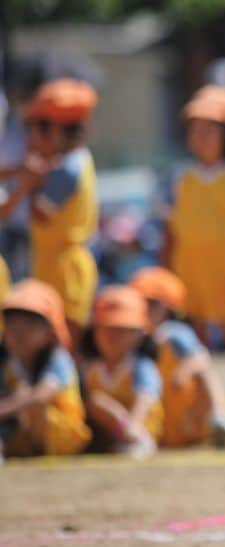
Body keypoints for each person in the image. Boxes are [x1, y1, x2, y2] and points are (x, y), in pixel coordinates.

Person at [163, 85, 225, 440]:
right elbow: (170, 232)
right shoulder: (180, 177)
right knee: (196, 344)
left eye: (210, 129)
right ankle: (207, 412)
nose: (201, 137)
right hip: (190, 271)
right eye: (195, 129)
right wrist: (166, 276)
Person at [0, 80, 99, 353]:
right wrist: (24, 172)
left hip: (66, 272)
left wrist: (28, 186)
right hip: (53, 265)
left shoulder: (66, 171)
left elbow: (39, 214)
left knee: (65, 346)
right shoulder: (68, 162)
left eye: (37, 128)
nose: (30, 138)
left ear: (56, 130)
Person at [130, 268, 225, 447]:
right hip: (161, 418)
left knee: (205, 369)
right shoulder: (130, 336)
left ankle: (219, 417)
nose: (145, 309)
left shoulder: (173, 334)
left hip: (188, 414)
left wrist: (183, 371)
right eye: (140, 303)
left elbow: (200, 359)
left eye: (152, 304)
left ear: (167, 308)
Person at [0, 280, 91, 460]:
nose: (19, 333)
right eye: (13, 324)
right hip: (20, 434)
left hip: (61, 436)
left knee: (31, 401)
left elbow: (41, 395)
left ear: (49, 333)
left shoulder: (58, 359)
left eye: (29, 325)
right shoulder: (7, 361)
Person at [82, 286, 161, 458]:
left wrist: (133, 426)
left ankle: (139, 440)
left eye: (121, 330)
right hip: (107, 436)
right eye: (106, 329)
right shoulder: (91, 368)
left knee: (98, 401)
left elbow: (145, 398)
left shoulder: (140, 366)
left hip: (140, 427)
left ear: (139, 334)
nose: (112, 337)